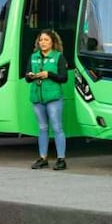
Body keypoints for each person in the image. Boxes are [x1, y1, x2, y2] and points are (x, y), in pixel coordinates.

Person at [26, 29, 68, 170]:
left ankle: (61, 159)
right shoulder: (33, 57)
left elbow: (63, 78)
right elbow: (26, 77)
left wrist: (48, 74)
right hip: (37, 97)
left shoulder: (58, 57)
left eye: (46, 40)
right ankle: (42, 158)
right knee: (42, 128)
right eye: (41, 40)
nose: (43, 43)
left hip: (54, 97)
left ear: (52, 42)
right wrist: (30, 75)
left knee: (57, 127)